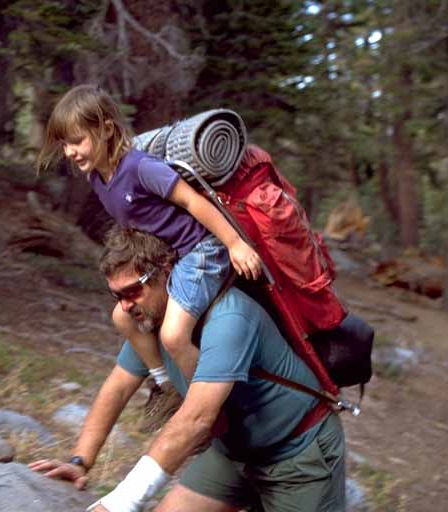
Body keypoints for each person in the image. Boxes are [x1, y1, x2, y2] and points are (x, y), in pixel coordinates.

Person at [29, 227, 346, 512]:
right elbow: (118, 387)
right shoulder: (153, 324)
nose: (125, 306)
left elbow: (196, 419)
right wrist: (80, 462)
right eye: (116, 295)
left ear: (166, 272)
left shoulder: (229, 317)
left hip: (298, 455)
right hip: (234, 456)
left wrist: (121, 501)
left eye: (133, 291)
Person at [37, 84, 263, 430]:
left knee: (174, 335)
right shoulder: (98, 178)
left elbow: (193, 202)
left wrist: (235, 244)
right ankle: (166, 384)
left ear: (107, 130)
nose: (69, 151)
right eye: (64, 144)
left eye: (77, 141)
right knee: (122, 317)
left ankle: (210, 416)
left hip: (200, 249)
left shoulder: (140, 168)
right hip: (168, 257)